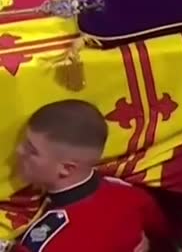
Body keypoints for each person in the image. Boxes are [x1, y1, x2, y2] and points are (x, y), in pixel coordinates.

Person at [11, 100, 171, 252]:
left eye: (31, 150)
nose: (19, 150)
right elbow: (164, 240)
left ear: (66, 169)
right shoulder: (134, 196)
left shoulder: (52, 243)